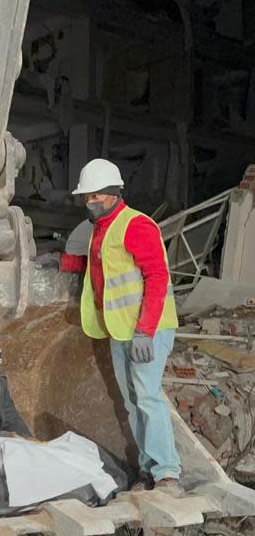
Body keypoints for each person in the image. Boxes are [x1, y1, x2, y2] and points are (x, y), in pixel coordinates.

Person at [60, 158, 182, 496]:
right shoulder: (100, 230)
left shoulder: (137, 225)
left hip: (148, 331)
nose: (90, 202)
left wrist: (145, 330)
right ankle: (148, 469)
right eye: (86, 198)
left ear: (113, 194)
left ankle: (168, 474)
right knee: (131, 401)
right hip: (119, 330)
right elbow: (96, 265)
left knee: (148, 397)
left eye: (95, 196)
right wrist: (61, 262)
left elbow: (157, 278)